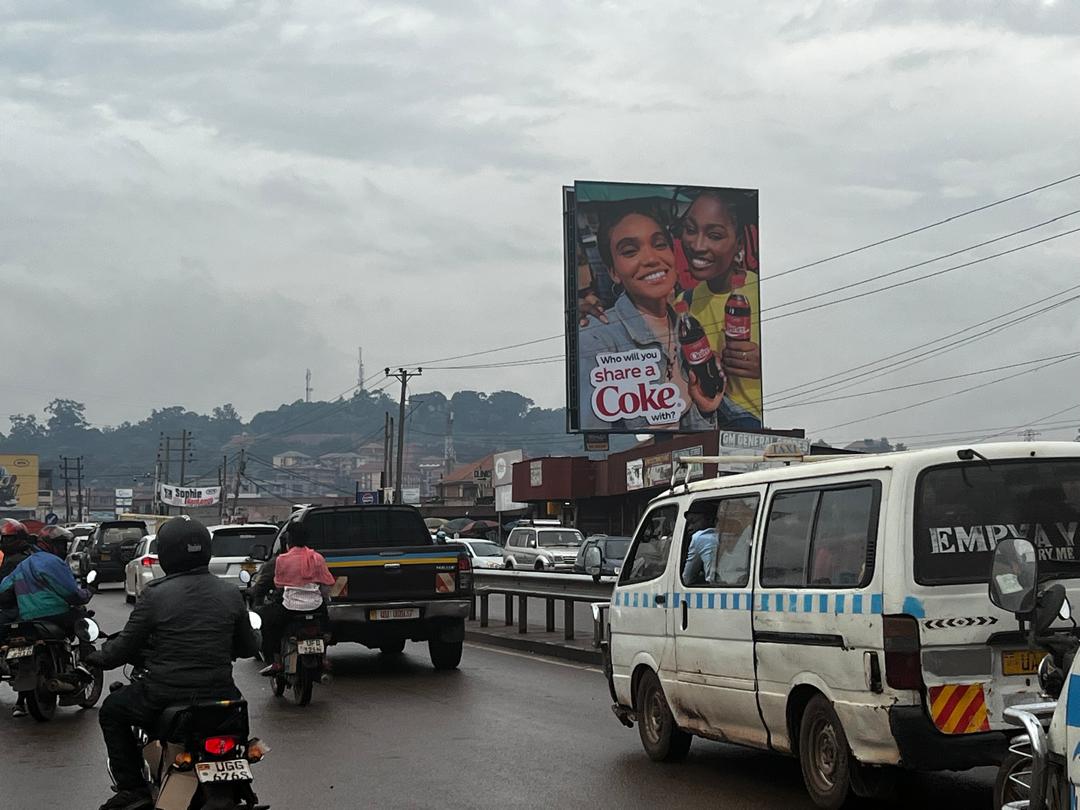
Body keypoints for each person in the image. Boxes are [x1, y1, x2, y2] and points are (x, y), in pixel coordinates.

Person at [85, 516, 259, 810]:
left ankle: (133, 788)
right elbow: (248, 646)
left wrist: (95, 657)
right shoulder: (230, 593)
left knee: (113, 711)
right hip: (223, 695)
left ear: (166, 553)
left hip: (164, 693)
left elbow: (122, 649)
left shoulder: (155, 595)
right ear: (206, 549)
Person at [578, 203, 724, 431]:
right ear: (614, 272)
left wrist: (705, 410)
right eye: (630, 251)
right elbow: (593, 443)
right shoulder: (596, 338)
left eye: (659, 245)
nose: (651, 259)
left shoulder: (688, 329)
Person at [676, 189, 763, 429]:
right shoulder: (684, 304)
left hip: (764, 434)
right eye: (691, 230)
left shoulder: (766, 292)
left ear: (738, 245)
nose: (697, 245)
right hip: (712, 435)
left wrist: (769, 366)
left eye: (714, 235)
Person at [0, 524, 89, 718]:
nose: (64, 549)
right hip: (54, 614)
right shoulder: (53, 563)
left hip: (27, 618)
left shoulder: (23, 564)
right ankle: (84, 663)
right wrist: (85, 595)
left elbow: (4, 587)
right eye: (61, 545)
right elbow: (71, 592)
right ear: (50, 545)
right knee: (82, 620)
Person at [252, 521, 334, 676]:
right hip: (316, 606)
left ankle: (276, 661)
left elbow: (278, 585)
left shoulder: (282, 560)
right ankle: (323, 658)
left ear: (288, 539)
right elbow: (327, 584)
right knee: (326, 627)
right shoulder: (317, 558)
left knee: (267, 622)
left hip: (290, 608)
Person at [682, 513, 718, 585]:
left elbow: (687, 579)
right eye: (688, 524)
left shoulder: (700, 537)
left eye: (694, 522)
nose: (689, 528)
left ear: (710, 520)